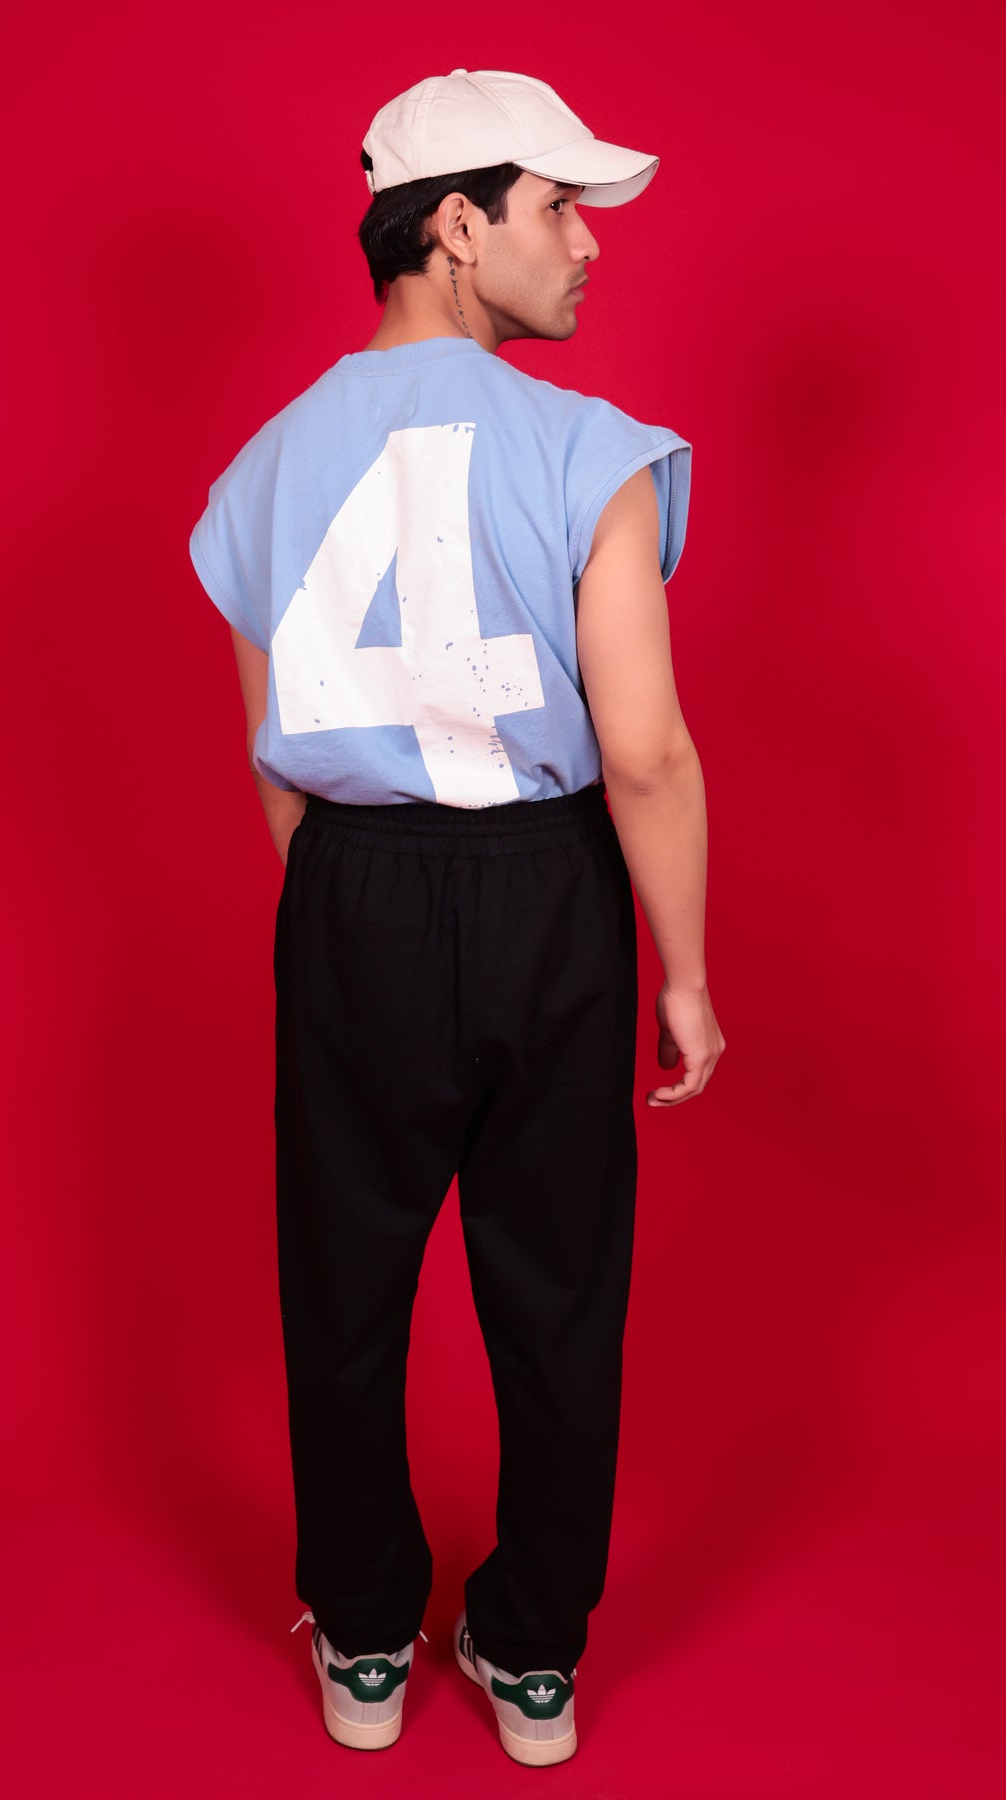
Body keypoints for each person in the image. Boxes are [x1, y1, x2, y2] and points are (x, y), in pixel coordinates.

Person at [188, 66, 725, 1769]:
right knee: (557, 1293)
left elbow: (273, 752)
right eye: (559, 208)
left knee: (342, 1285)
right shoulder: (591, 450)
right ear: (458, 226)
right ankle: (533, 1652)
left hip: (348, 888)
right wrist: (685, 974)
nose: (589, 245)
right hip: (551, 890)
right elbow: (643, 749)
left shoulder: (261, 470)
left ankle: (362, 1638)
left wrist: (347, 910)